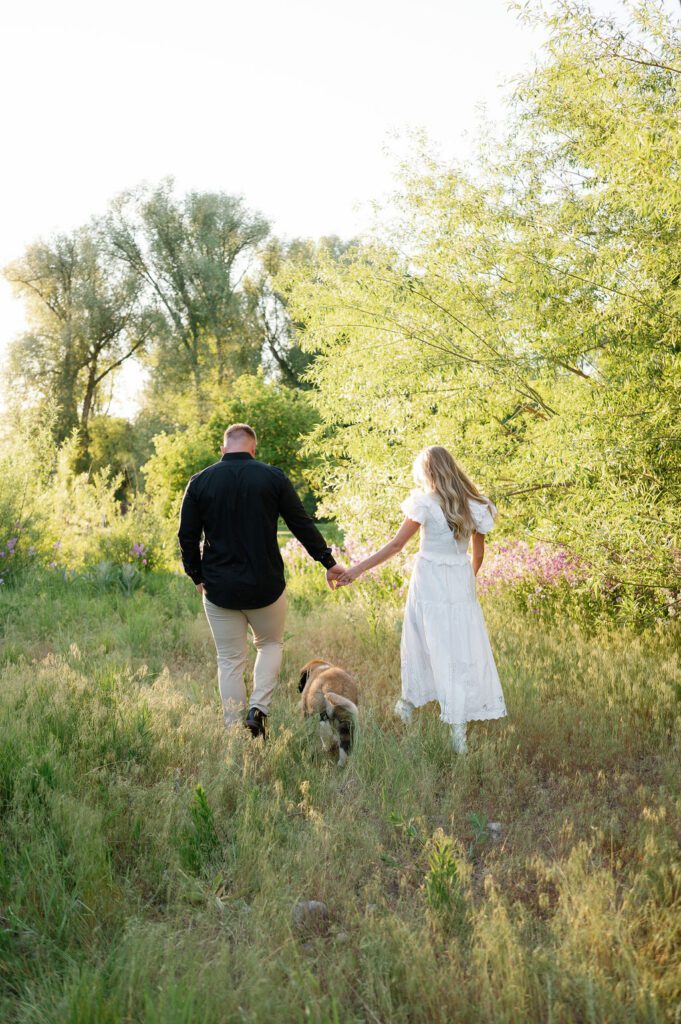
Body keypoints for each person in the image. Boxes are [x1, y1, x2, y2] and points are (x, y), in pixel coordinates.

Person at [178, 423, 345, 738]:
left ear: (223, 448)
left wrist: (197, 575)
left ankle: (233, 732)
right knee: (270, 644)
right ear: (254, 450)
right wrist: (328, 561)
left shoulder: (200, 482)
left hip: (219, 588)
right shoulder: (272, 477)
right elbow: (300, 523)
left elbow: (186, 537)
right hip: (265, 586)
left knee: (229, 659)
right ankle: (258, 710)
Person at [338, 446, 506, 752]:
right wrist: (465, 582)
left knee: (419, 641)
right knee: (459, 651)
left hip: (429, 582)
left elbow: (396, 545)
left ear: (428, 472)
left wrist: (357, 570)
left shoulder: (426, 503)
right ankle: (445, 722)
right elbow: (478, 555)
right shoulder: (477, 504)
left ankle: (414, 707)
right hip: (459, 583)